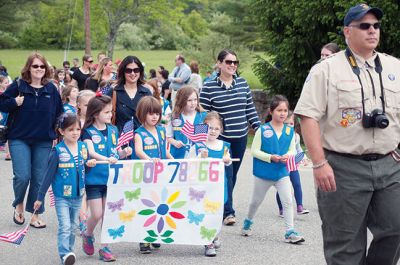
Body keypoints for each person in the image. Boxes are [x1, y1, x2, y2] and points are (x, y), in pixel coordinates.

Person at [294, 4, 400, 264]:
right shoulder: (326, 70)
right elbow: (308, 116)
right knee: (345, 245)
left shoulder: (394, 67)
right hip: (342, 168)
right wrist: (319, 163)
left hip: (389, 165)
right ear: (347, 32)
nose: (372, 30)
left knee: (395, 229)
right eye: (364, 26)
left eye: (376, 25)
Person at [0, 52, 63, 228]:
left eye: (42, 66)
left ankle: (35, 214)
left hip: (43, 140)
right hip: (19, 138)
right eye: (35, 66)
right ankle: (18, 204)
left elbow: (60, 112)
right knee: (22, 176)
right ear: (29, 67)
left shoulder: (51, 89)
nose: (39, 69)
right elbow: (2, 103)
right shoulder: (19, 85)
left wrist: (59, 134)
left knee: (39, 178)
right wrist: (14, 102)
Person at [200, 49, 260, 225]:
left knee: (232, 174)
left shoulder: (242, 83)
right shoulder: (209, 86)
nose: (232, 65)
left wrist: (258, 127)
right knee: (227, 174)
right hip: (220, 140)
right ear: (219, 64)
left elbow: (249, 108)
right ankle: (228, 212)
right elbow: (202, 115)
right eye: (228, 62)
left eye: (235, 62)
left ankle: (220, 204)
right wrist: (200, 139)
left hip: (240, 137)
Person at [34, 113, 96, 265]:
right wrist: (39, 198)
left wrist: (88, 165)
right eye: (70, 129)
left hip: (79, 194)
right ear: (62, 132)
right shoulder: (57, 151)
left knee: (74, 226)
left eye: (77, 129)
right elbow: (48, 176)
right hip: (61, 195)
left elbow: (83, 171)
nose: (75, 132)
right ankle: (64, 253)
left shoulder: (82, 147)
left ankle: (69, 252)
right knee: (65, 225)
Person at [241, 95, 305, 244]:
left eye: (285, 110)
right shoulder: (262, 130)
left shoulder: (290, 132)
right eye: (279, 110)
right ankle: (248, 221)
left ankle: (290, 231)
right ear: (271, 112)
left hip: (282, 172)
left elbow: (292, 150)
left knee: (288, 200)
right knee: (255, 202)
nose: (282, 113)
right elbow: (254, 151)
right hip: (263, 173)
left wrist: (286, 156)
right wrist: (270, 157)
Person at [80, 95, 132, 262]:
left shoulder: (113, 130)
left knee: (109, 214)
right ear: (95, 114)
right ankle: (87, 234)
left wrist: (123, 153)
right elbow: (90, 152)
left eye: (111, 111)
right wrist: (105, 159)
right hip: (94, 180)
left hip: (111, 179)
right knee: (96, 214)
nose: (110, 115)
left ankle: (105, 247)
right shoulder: (87, 131)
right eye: (107, 112)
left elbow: (115, 152)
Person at [188, 111, 232, 257]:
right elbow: (189, 162)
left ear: (221, 130)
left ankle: (213, 234)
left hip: (219, 186)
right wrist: (201, 156)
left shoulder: (224, 145)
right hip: (203, 187)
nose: (212, 131)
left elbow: (228, 160)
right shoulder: (199, 145)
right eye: (209, 127)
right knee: (206, 212)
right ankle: (208, 242)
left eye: (216, 128)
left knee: (217, 212)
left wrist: (227, 160)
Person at [134, 96, 173, 254]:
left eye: (157, 113)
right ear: (142, 114)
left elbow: (166, 151)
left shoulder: (162, 131)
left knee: (160, 205)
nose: (155, 116)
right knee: (146, 206)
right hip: (146, 174)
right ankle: (144, 239)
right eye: (150, 113)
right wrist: (150, 160)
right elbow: (139, 151)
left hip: (161, 174)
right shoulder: (139, 133)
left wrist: (175, 161)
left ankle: (155, 235)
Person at [106, 55, 152, 134]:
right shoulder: (114, 92)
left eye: (136, 70)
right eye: (128, 70)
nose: (133, 73)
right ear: (123, 72)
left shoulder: (146, 93)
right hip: (120, 139)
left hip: (143, 138)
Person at [275, 111, 309, 217]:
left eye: (291, 123)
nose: (289, 125)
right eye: (286, 123)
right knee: (283, 187)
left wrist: (304, 157)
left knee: (297, 184)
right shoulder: (278, 135)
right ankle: (281, 209)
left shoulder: (296, 136)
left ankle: (299, 206)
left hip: (293, 164)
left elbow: (298, 149)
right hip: (282, 165)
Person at [167, 86, 207, 159]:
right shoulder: (174, 117)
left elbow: (203, 138)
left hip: (197, 157)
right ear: (181, 101)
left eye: (195, 99)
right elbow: (168, 137)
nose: (193, 103)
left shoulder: (202, 116)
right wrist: (175, 142)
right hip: (178, 156)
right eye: (189, 100)